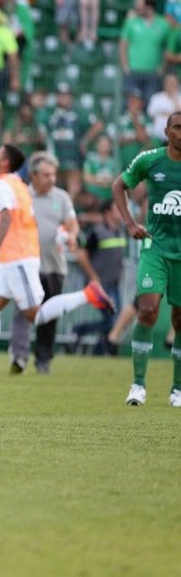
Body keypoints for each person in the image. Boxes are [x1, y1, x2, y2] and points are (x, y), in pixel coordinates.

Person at [0, 145, 115, 380]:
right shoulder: (19, 186)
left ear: (5, 162)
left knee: (33, 316)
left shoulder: (2, 185)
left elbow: (7, 215)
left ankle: (87, 295)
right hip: (14, 256)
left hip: (18, 256)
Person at [111, 111, 181, 407]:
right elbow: (119, 186)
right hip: (155, 248)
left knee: (180, 320)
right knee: (148, 309)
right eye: (178, 127)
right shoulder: (150, 159)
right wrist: (129, 224)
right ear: (167, 131)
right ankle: (138, 384)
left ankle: (177, 389)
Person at [7, 152, 79, 375]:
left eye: (54, 174)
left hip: (54, 266)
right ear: (34, 175)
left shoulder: (62, 198)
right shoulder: (22, 197)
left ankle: (43, 359)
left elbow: (72, 224)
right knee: (23, 310)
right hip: (27, 265)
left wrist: (72, 236)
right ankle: (19, 355)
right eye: (46, 175)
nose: (52, 179)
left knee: (50, 315)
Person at [71, 200, 126, 355]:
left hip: (114, 283)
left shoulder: (120, 231)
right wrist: (94, 277)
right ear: (108, 212)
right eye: (118, 209)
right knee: (113, 320)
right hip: (100, 285)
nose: (122, 212)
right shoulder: (97, 232)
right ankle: (81, 332)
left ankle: (92, 342)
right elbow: (82, 255)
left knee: (115, 320)